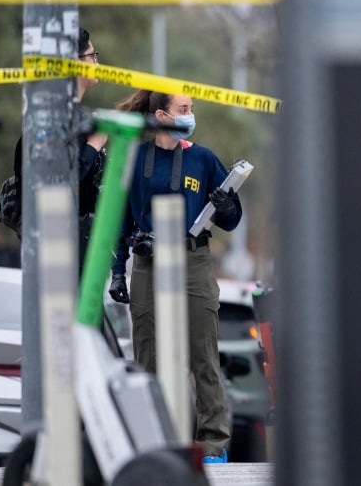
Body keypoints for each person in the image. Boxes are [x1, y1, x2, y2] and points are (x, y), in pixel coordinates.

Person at [107, 90, 242, 463]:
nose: (189, 115)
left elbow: (232, 219)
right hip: (149, 263)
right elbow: (120, 220)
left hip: (193, 259)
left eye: (191, 109)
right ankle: (150, 442)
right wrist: (117, 273)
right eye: (183, 109)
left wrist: (227, 206)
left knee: (203, 355)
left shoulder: (203, 159)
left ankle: (213, 443)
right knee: (148, 356)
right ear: (161, 116)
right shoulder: (136, 158)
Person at [0, 29, 107, 267]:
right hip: (58, 248)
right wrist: (94, 146)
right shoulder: (56, 121)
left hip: (76, 245)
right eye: (92, 56)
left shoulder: (71, 117)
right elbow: (59, 185)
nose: (97, 63)